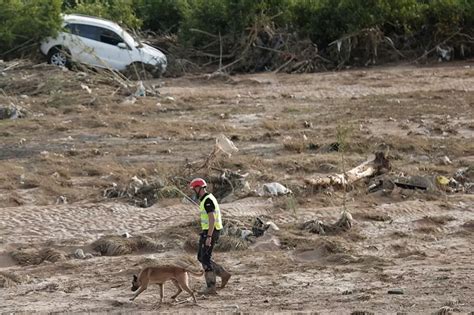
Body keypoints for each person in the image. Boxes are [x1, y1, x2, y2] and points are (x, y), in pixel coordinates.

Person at [189, 178, 231, 294]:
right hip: (209, 231)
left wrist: (208, 237)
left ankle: (211, 287)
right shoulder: (206, 199)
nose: (194, 191)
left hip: (211, 232)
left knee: (205, 259)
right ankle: (223, 274)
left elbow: (212, 218)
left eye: (194, 189)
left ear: (199, 188)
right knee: (201, 257)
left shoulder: (207, 200)